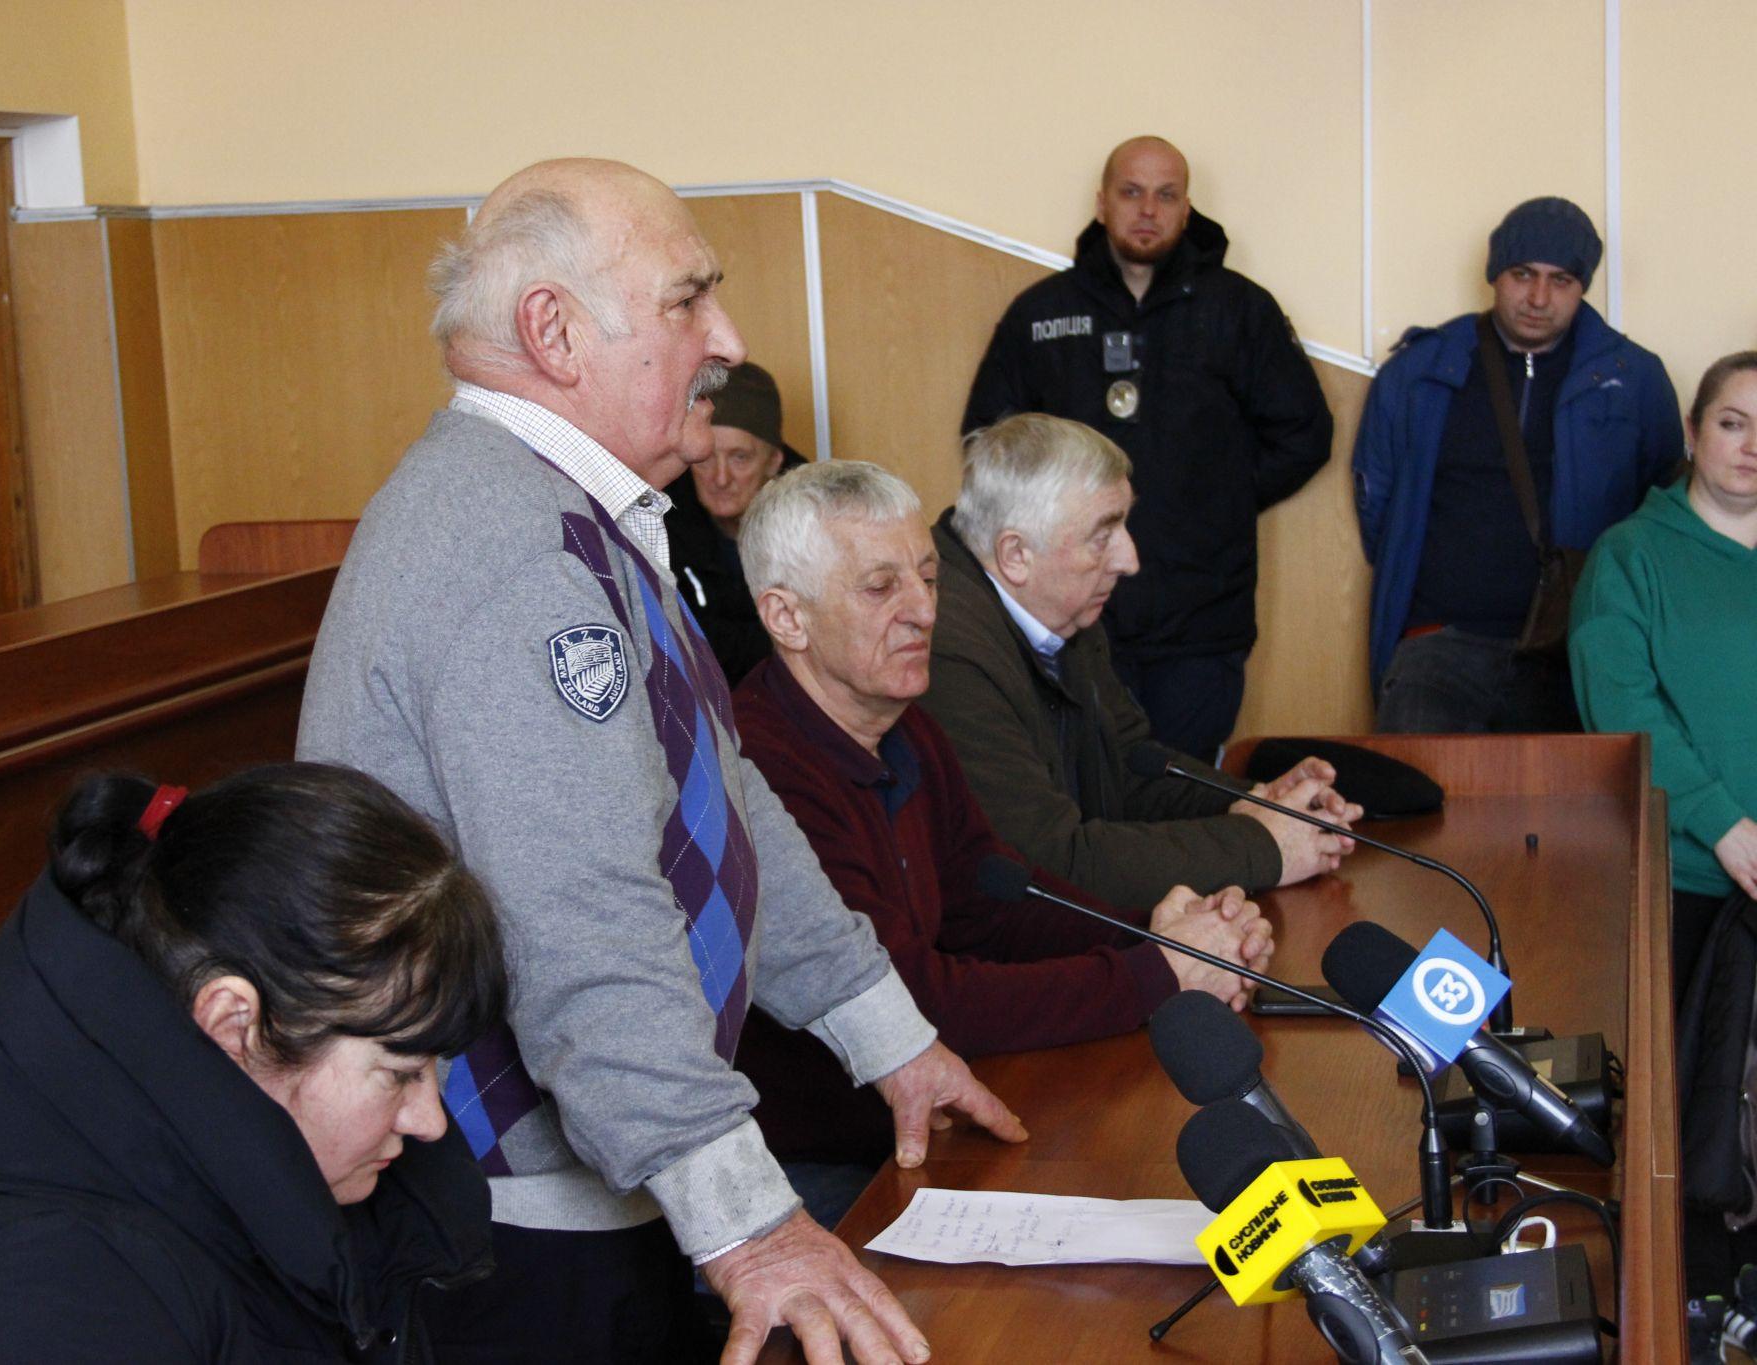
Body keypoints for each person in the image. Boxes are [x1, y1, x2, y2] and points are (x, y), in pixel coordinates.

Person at [297, 158, 1023, 1365]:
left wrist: (885, 1038)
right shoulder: (516, 550)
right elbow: (578, 923)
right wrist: (752, 1229)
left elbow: (719, 801)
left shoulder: (571, 510)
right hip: (511, 1221)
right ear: (553, 332)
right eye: (688, 300)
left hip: (591, 1184)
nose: (725, 340)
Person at [0, 763, 509, 1364]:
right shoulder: (32, 1301)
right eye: (399, 1072)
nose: (429, 1121)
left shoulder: (287, 1173)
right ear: (234, 1024)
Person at [727, 460, 1274, 1219]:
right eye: (882, 588)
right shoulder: (760, 767)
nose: (925, 610)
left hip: (933, 1121)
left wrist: (1156, 933)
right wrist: (1156, 973)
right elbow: (908, 1000)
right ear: (787, 617)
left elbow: (995, 903)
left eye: (929, 577)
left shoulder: (908, 728)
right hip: (815, 1173)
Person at [961, 135, 1332, 762]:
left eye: (1166, 195)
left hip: (1200, 623)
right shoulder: (1042, 313)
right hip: (1068, 617)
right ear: (1102, 202)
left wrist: (1220, 499)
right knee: (1079, 791)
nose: (1148, 210)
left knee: (1183, 790)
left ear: (1187, 208)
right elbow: (989, 445)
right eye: (1131, 192)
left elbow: (1305, 433)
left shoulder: (1240, 310)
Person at [920, 412, 1359, 913]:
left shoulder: (1063, 611)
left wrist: (1255, 802)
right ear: (1016, 554)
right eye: (1103, 535)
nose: (1129, 560)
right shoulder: (947, 652)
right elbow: (1048, 865)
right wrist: (1263, 844)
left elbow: (1129, 769)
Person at [1571, 350, 1757, 1311]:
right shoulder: (1632, 555)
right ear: (1692, 432)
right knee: (1693, 1117)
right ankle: (1696, 1300)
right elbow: (1624, 707)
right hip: (1690, 880)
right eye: (1733, 422)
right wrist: (1724, 824)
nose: (1752, 446)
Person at [1355, 195, 1684, 732]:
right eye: (1523, 274)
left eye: (1561, 280)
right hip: (1436, 646)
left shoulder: (1634, 378)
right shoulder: (1420, 371)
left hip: (1577, 647)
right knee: (1410, 787)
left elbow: (1663, 510)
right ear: (1495, 274)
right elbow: (1378, 505)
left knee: (1578, 792)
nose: (1538, 298)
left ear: (1582, 287)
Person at [667, 361, 806, 684]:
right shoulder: (660, 519)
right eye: (706, 458)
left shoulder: (814, 524)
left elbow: (824, 637)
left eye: (740, 458)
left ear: (774, 461)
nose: (721, 478)